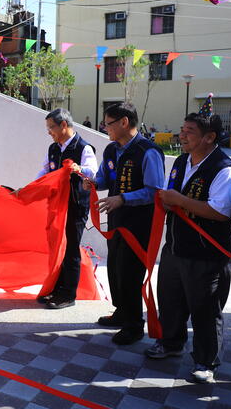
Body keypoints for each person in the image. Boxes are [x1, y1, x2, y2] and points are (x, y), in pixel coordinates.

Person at [145, 109, 231, 384]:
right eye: (182, 129)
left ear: (210, 137)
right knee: (171, 299)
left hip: (207, 253)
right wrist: (166, 199)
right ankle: (171, 342)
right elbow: (169, 194)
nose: (182, 135)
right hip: (175, 247)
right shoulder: (182, 161)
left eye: (190, 132)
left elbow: (220, 212)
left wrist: (178, 199)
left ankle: (205, 361)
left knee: (206, 309)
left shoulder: (224, 168)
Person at [84, 103, 165, 345]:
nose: (104, 128)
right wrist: (93, 184)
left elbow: (155, 191)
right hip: (117, 219)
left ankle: (134, 325)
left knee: (131, 272)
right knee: (116, 268)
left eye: (108, 123)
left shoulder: (148, 152)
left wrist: (123, 198)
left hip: (139, 223)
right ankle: (121, 312)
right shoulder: (111, 150)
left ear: (124, 123)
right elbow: (104, 178)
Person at [23, 108, 97, 309]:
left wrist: (79, 169)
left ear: (64, 125)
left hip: (75, 206)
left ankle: (68, 294)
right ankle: (56, 289)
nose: (49, 132)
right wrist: (28, 189)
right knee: (57, 247)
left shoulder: (83, 148)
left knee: (71, 247)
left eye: (51, 127)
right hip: (56, 205)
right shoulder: (53, 148)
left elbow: (93, 173)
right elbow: (44, 172)